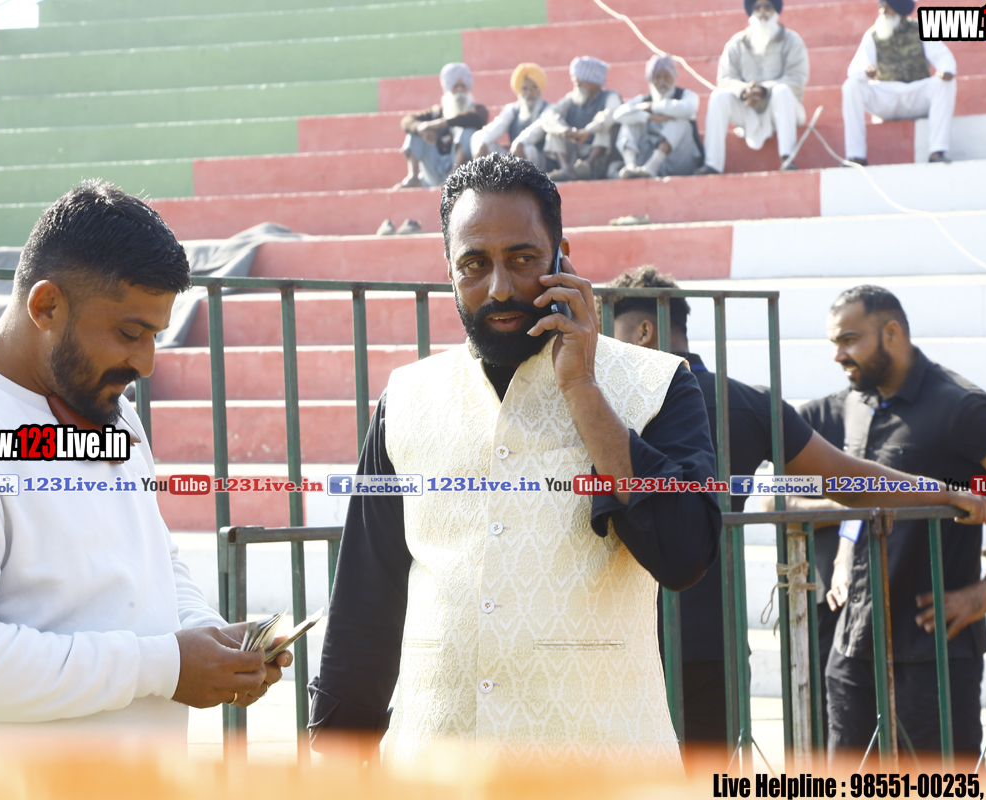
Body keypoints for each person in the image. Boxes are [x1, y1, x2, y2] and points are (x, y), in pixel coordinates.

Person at [307, 155, 721, 772]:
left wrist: (582, 389)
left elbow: (685, 555)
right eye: (474, 264)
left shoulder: (658, 385)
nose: (499, 287)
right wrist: (335, 759)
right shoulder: (407, 397)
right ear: (449, 271)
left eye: (522, 259)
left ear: (562, 259)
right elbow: (367, 599)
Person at [0, 181, 290, 739]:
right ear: (46, 306)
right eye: (129, 333)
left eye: (155, 335)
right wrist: (165, 667)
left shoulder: (108, 407)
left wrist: (209, 639)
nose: (146, 363)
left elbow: (154, 562)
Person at [605, 267, 986, 744]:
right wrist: (940, 492)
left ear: (643, 332)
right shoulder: (745, 402)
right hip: (710, 642)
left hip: (612, 634)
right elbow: (846, 477)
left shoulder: (600, 405)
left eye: (610, 330)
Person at [798, 285, 986, 762]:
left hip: (932, 652)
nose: (838, 355)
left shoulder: (960, 406)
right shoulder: (851, 406)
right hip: (852, 647)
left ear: (892, 333)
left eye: (850, 340)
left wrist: (984, 594)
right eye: (834, 342)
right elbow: (783, 493)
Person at [841, 0, 957, 165]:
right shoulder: (872, 35)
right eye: (881, 7)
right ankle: (856, 156)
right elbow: (855, 70)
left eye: (887, 8)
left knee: (945, 83)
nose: (882, 11)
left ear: (900, 10)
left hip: (916, 97)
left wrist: (946, 71)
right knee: (851, 86)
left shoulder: (921, 29)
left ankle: (937, 152)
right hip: (887, 99)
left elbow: (944, 58)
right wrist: (866, 73)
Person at [700, 0, 809, 174]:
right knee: (718, 96)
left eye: (767, 6)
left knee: (781, 91)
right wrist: (744, 90)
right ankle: (712, 164)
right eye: (757, 7)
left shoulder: (791, 40)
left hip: (782, 109)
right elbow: (725, 79)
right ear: (751, 11)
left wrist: (764, 90)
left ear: (775, 10)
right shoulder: (737, 43)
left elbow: (797, 78)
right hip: (748, 109)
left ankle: (787, 159)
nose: (762, 12)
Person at [395, 62, 489, 189]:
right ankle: (413, 177)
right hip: (434, 168)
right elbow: (407, 121)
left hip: (461, 172)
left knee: (468, 131)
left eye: (463, 86)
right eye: (455, 86)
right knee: (416, 131)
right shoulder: (436, 112)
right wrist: (421, 128)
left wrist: (442, 122)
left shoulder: (477, 110)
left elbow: (480, 118)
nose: (460, 90)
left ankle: (453, 179)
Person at [614, 55, 703, 179]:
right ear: (650, 80)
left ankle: (652, 166)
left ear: (674, 77)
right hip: (645, 160)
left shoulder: (686, 96)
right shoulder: (643, 99)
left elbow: (688, 109)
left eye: (666, 76)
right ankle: (630, 166)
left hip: (679, 161)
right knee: (629, 121)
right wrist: (648, 117)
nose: (662, 81)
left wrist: (653, 106)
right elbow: (618, 115)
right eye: (657, 77)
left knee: (681, 120)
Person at [541, 56, 623, 181]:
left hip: (601, 157)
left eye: (582, 80)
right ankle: (566, 169)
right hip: (575, 153)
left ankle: (588, 164)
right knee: (553, 132)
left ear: (595, 82)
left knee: (604, 126)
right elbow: (549, 115)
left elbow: (612, 113)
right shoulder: (572, 98)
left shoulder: (610, 96)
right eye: (576, 80)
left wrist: (588, 131)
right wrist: (562, 130)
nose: (578, 84)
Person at [471, 62, 551, 170]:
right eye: (525, 89)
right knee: (478, 137)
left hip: (538, 161)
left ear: (540, 89)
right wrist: (483, 142)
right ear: (519, 91)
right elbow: (497, 126)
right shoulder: (512, 109)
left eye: (533, 88)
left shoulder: (549, 109)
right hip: (513, 159)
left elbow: (536, 130)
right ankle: (485, 175)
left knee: (527, 149)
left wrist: (520, 143)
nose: (529, 92)